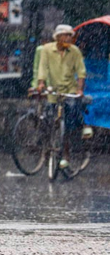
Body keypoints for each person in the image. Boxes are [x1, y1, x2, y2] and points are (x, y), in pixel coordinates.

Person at [37, 24, 91, 169]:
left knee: (68, 124)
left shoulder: (75, 51)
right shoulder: (47, 49)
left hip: (69, 89)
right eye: (65, 35)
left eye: (70, 36)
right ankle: (54, 149)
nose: (68, 38)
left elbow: (81, 72)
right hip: (54, 90)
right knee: (53, 122)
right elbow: (43, 67)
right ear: (58, 37)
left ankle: (82, 127)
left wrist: (80, 89)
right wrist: (41, 83)